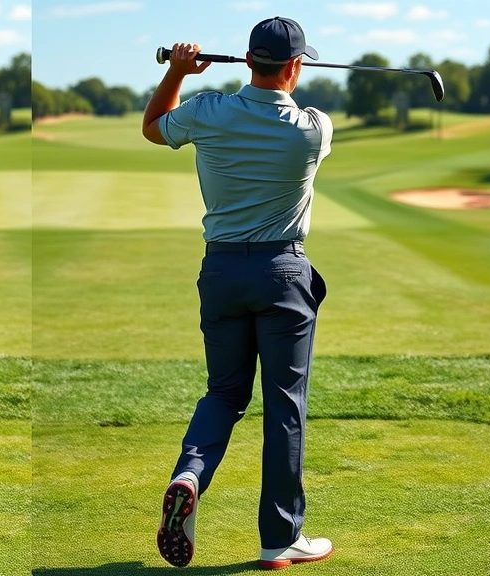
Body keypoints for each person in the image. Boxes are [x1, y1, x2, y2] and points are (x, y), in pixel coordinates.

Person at [141, 16, 333, 570]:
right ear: (295, 66)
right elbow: (289, 100)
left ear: (248, 60)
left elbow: (154, 126)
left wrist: (177, 72)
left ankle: (189, 474)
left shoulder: (208, 110)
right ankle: (280, 539)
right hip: (283, 274)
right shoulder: (314, 127)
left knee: (224, 393)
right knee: (284, 407)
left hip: (221, 271)